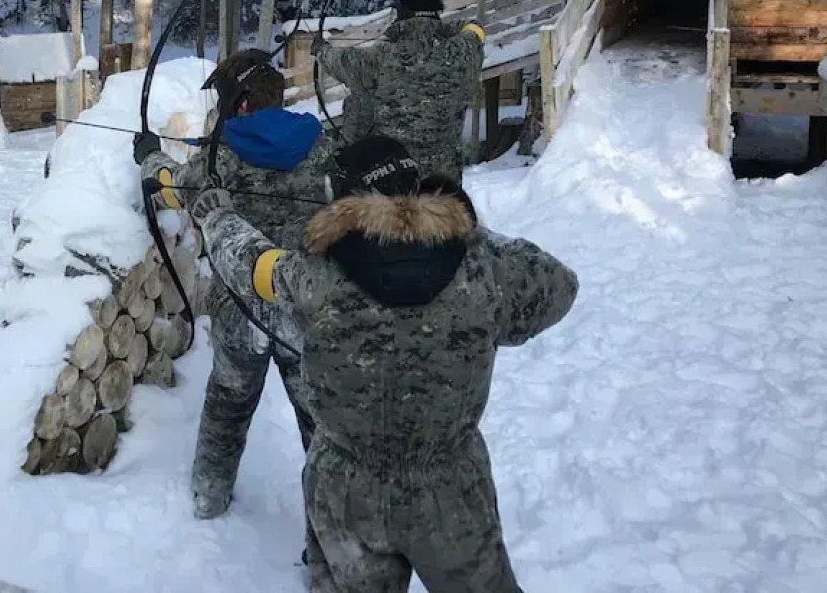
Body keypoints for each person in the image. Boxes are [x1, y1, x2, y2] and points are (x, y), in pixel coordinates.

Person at [191, 135, 578, 593]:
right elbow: (559, 282)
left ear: (343, 203)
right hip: (452, 491)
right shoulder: (482, 271)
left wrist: (217, 217)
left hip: (346, 493)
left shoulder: (310, 276)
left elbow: (250, 263)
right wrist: (462, 226)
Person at [135, 48, 331, 522]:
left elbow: (170, 187)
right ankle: (331, 524)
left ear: (241, 105)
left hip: (239, 311)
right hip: (303, 305)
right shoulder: (322, 146)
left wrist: (149, 157)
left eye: (224, 101)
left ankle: (208, 498)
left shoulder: (218, 158)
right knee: (321, 423)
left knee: (228, 406)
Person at [316, 0, 485, 183]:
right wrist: (439, 28)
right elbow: (475, 28)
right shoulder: (462, 52)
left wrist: (321, 49)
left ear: (402, 15)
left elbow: (341, 61)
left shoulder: (382, 56)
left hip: (396, 175)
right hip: (445, 179)